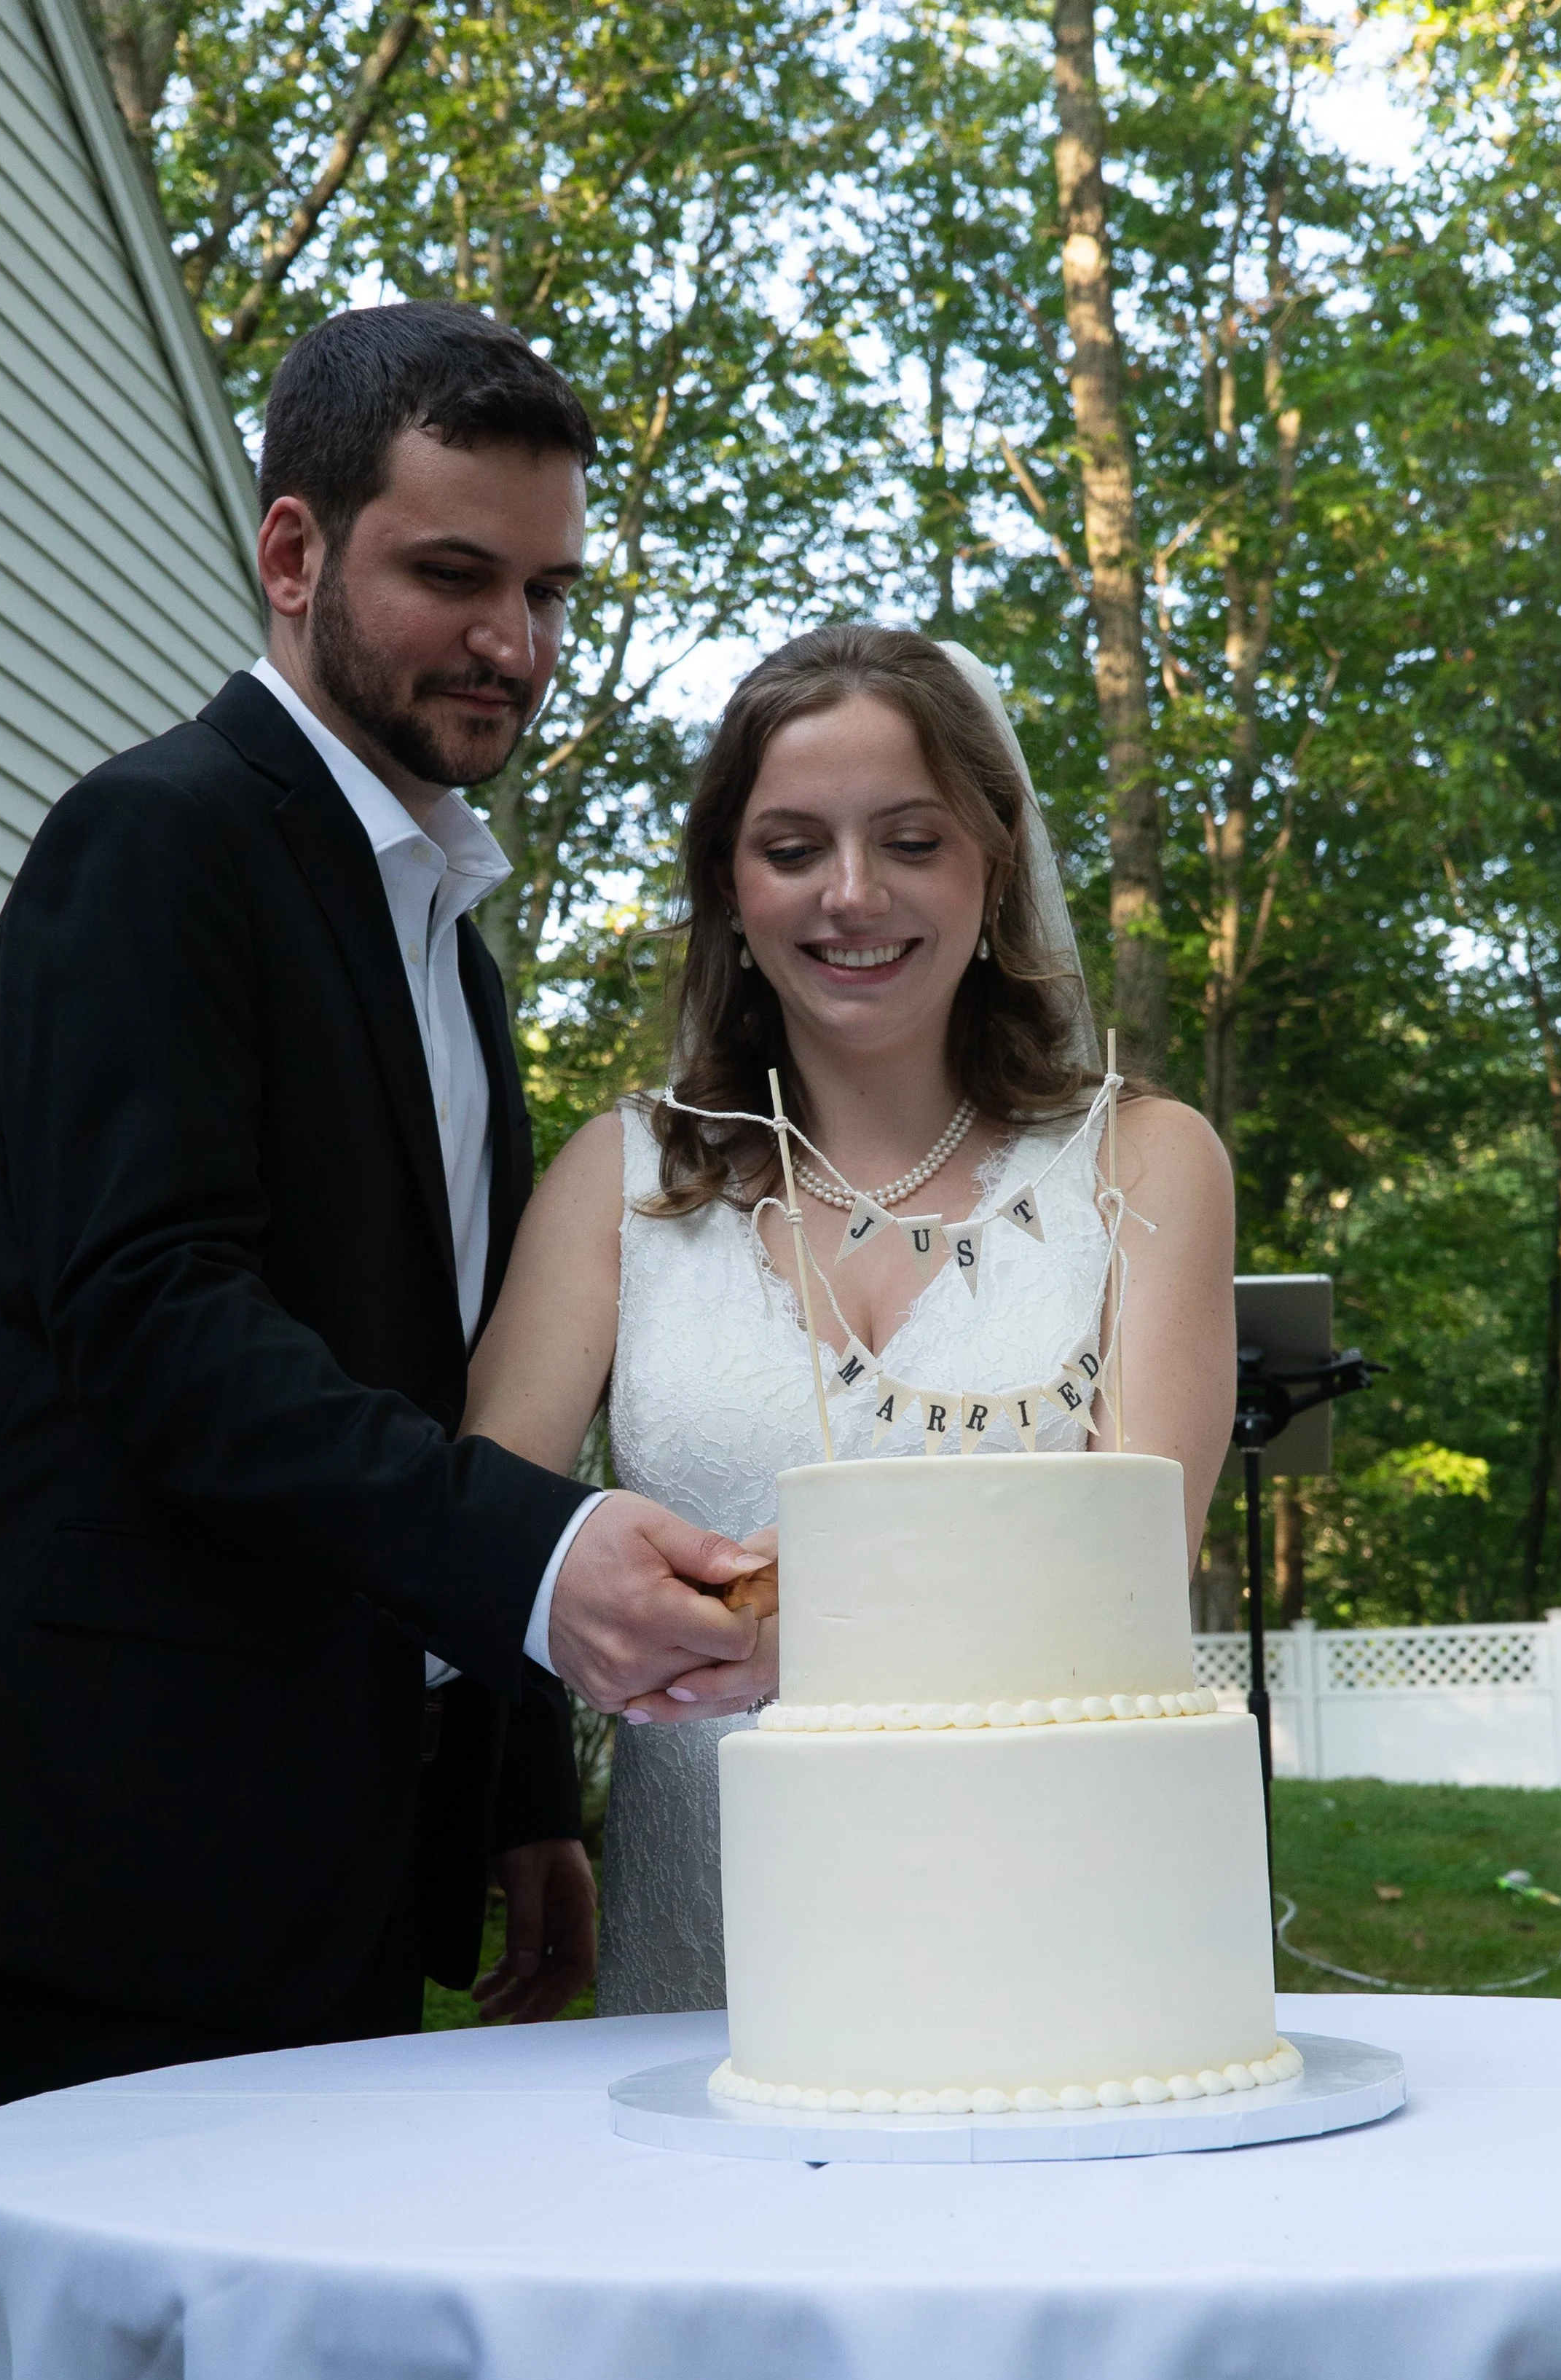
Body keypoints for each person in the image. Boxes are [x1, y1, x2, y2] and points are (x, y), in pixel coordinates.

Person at [0, 302, 763, 2130]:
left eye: (550, 593)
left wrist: (517, 1779)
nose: (514, 645)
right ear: (292, 550)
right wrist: (534, 1567)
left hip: (342, 1829)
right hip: (107, 1827)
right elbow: (155, 1318)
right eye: (455, 575)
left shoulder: (446, 933)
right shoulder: (154, 841)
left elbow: (457, 1386)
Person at [467, 624, 1236, 2012]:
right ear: (728, 883)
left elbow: (1136, 1564)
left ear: (994, 864)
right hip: (707, 1943)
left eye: (912, 839)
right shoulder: (616, 1180)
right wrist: (529, 1802)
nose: (853, 895)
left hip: (1045, 1945)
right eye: (792, 846)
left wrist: (798, 1629)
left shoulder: (1146, 1165)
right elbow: (486, 1533)